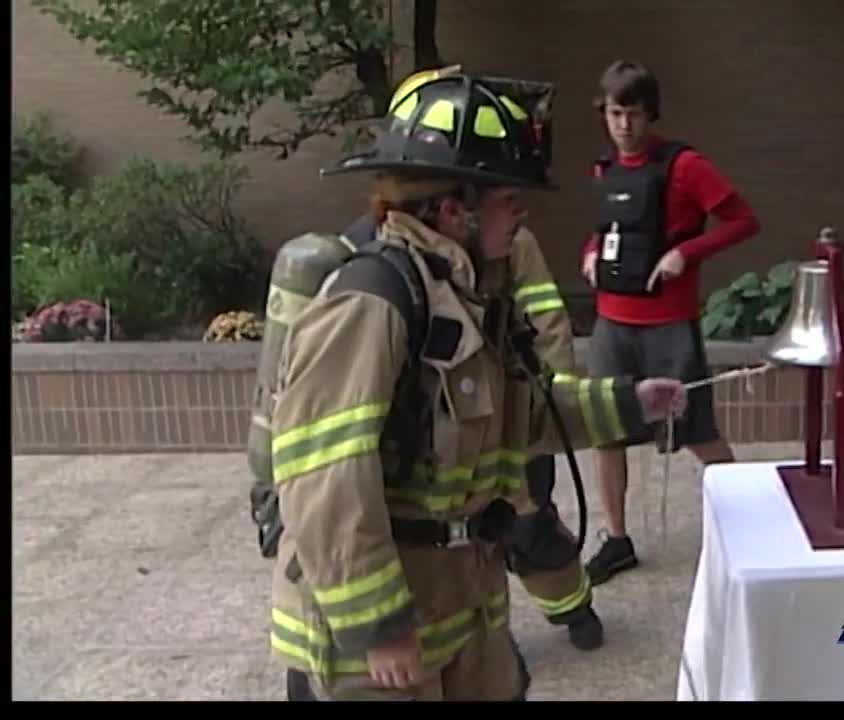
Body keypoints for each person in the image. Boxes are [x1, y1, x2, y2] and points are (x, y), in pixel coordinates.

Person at [269, 67, 687, 701]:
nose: (521, 211)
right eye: (506, 196)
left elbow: (524, 416)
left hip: (461, 607)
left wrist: (632, 403)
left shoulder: (469, 297)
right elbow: (325, 475)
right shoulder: (373, 300)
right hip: (381, 641)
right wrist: (375, 625)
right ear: (450, 205)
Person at [339, 219, 605, 653]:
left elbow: (546, 317)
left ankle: (573, 608)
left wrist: (547, 404)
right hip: (445, 438)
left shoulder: (511, 238)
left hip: (511, 417)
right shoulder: (369, 251)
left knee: (532, 525)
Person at [579, 60, 760, 586]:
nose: (624, 126)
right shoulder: (604, 169)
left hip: (668, 324)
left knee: (695, 430)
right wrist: (591, 253)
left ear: (649, 114)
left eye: (633, 115)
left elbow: (744, 220)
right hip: (612, 323)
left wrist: (687, 252)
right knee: (605, 432)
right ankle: (616, 539)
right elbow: (606, 229)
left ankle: (753, 518)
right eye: (615, 114)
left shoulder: (685, 166)